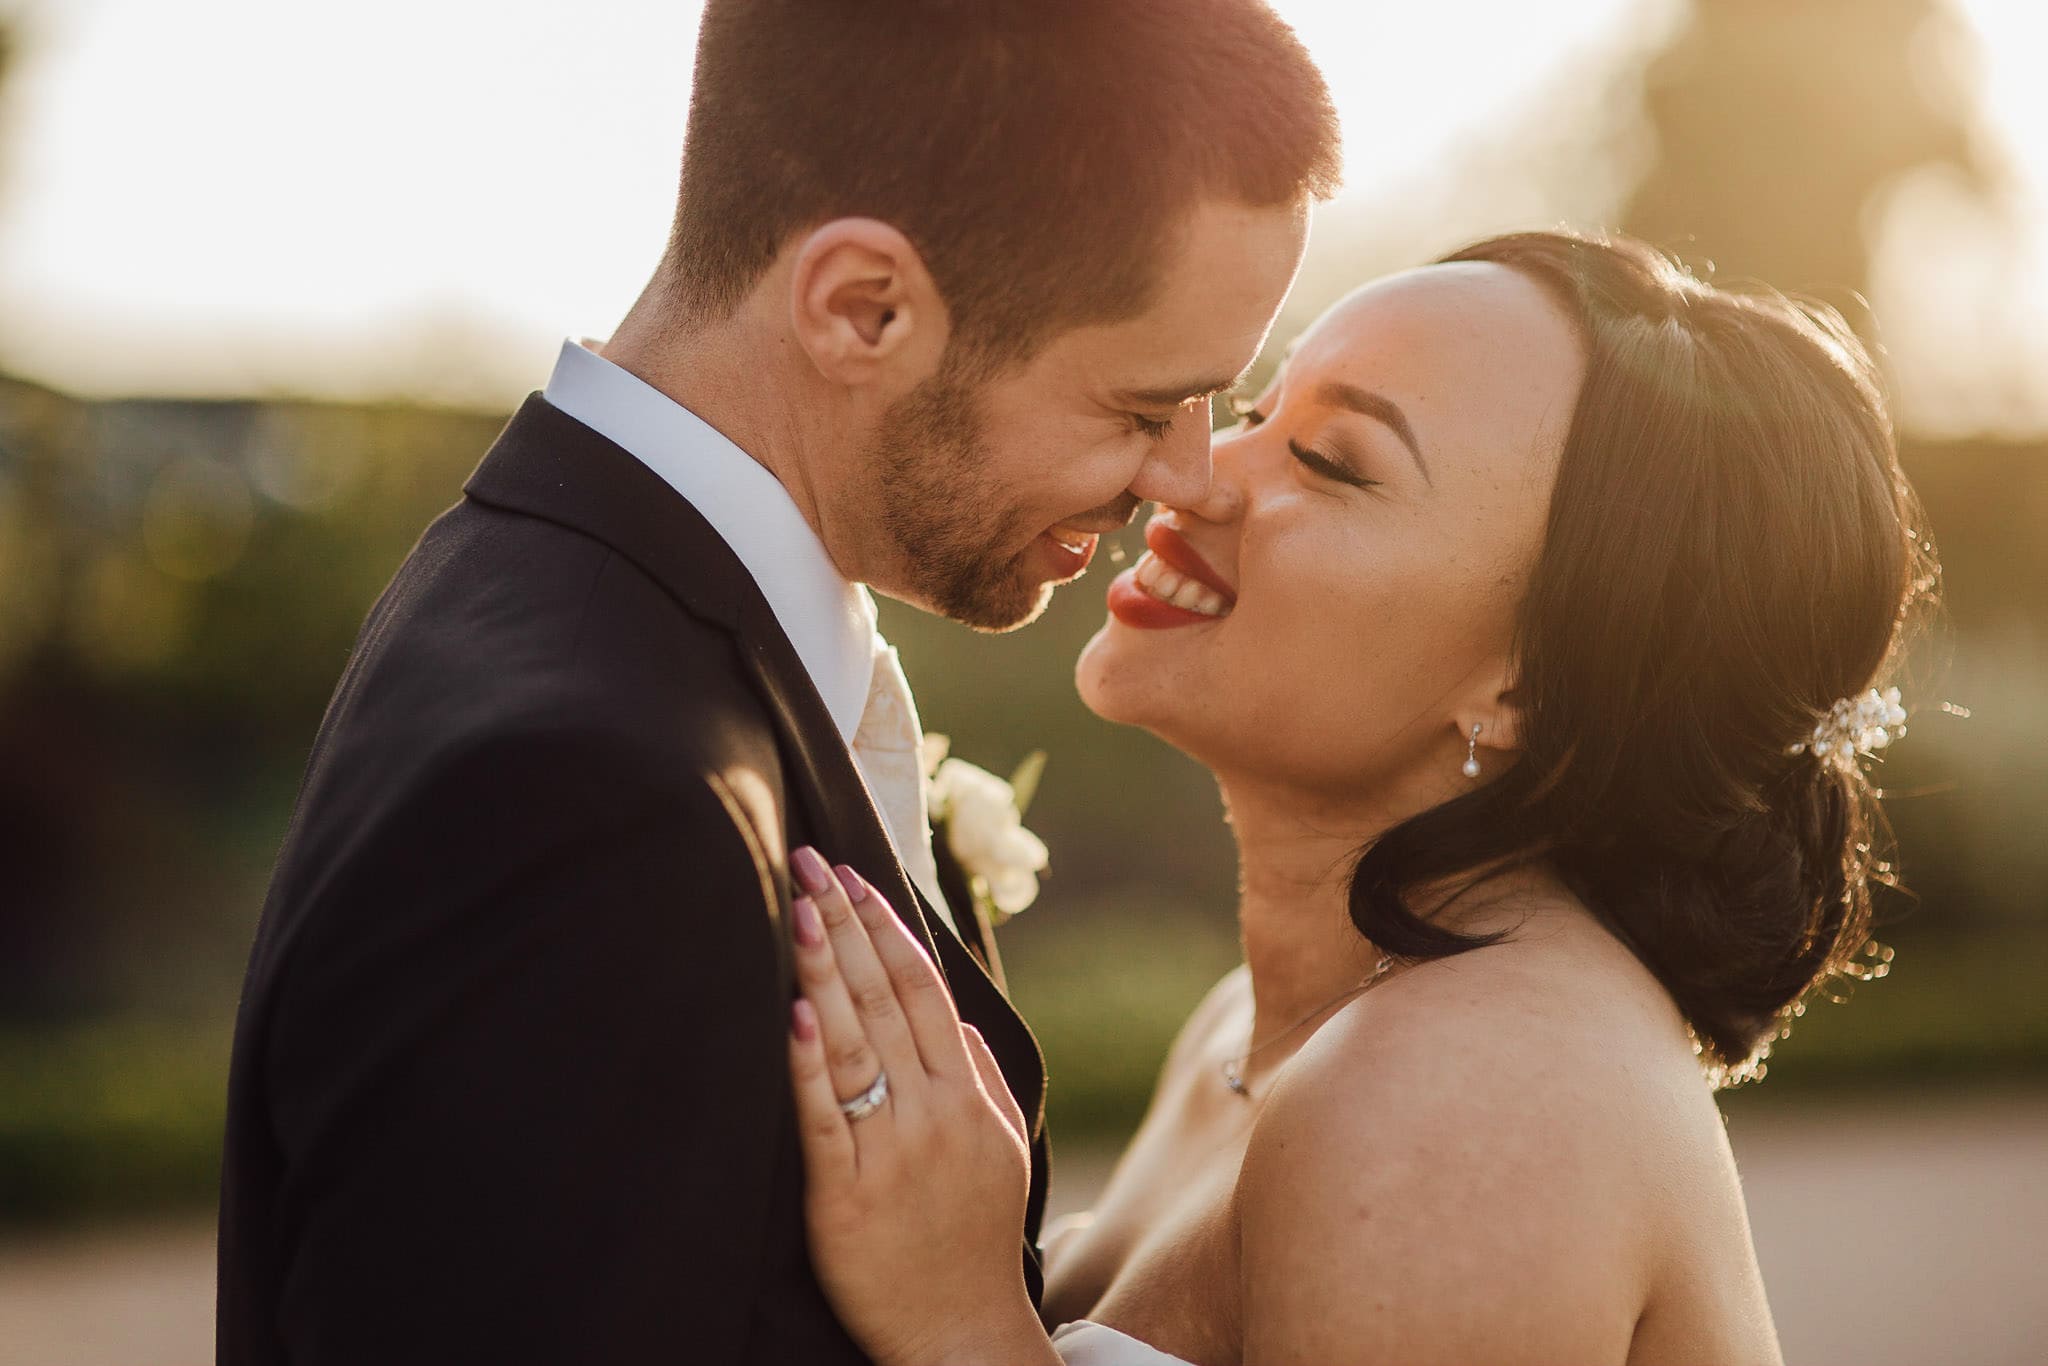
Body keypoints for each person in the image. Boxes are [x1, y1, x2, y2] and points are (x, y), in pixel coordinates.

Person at [214, 2, 1340, 1362]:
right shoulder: (583, 803)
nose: (1188, 478)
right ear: (861, 307)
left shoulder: (589, 605)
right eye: (1142, 406)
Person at [782, 230, 1936, 1366]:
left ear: (1533, 680)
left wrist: (958, 1332)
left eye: (1331, 461)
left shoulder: (1473, 1102)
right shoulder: (1249, 1025)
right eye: (1251, 411)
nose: (1183, 475)